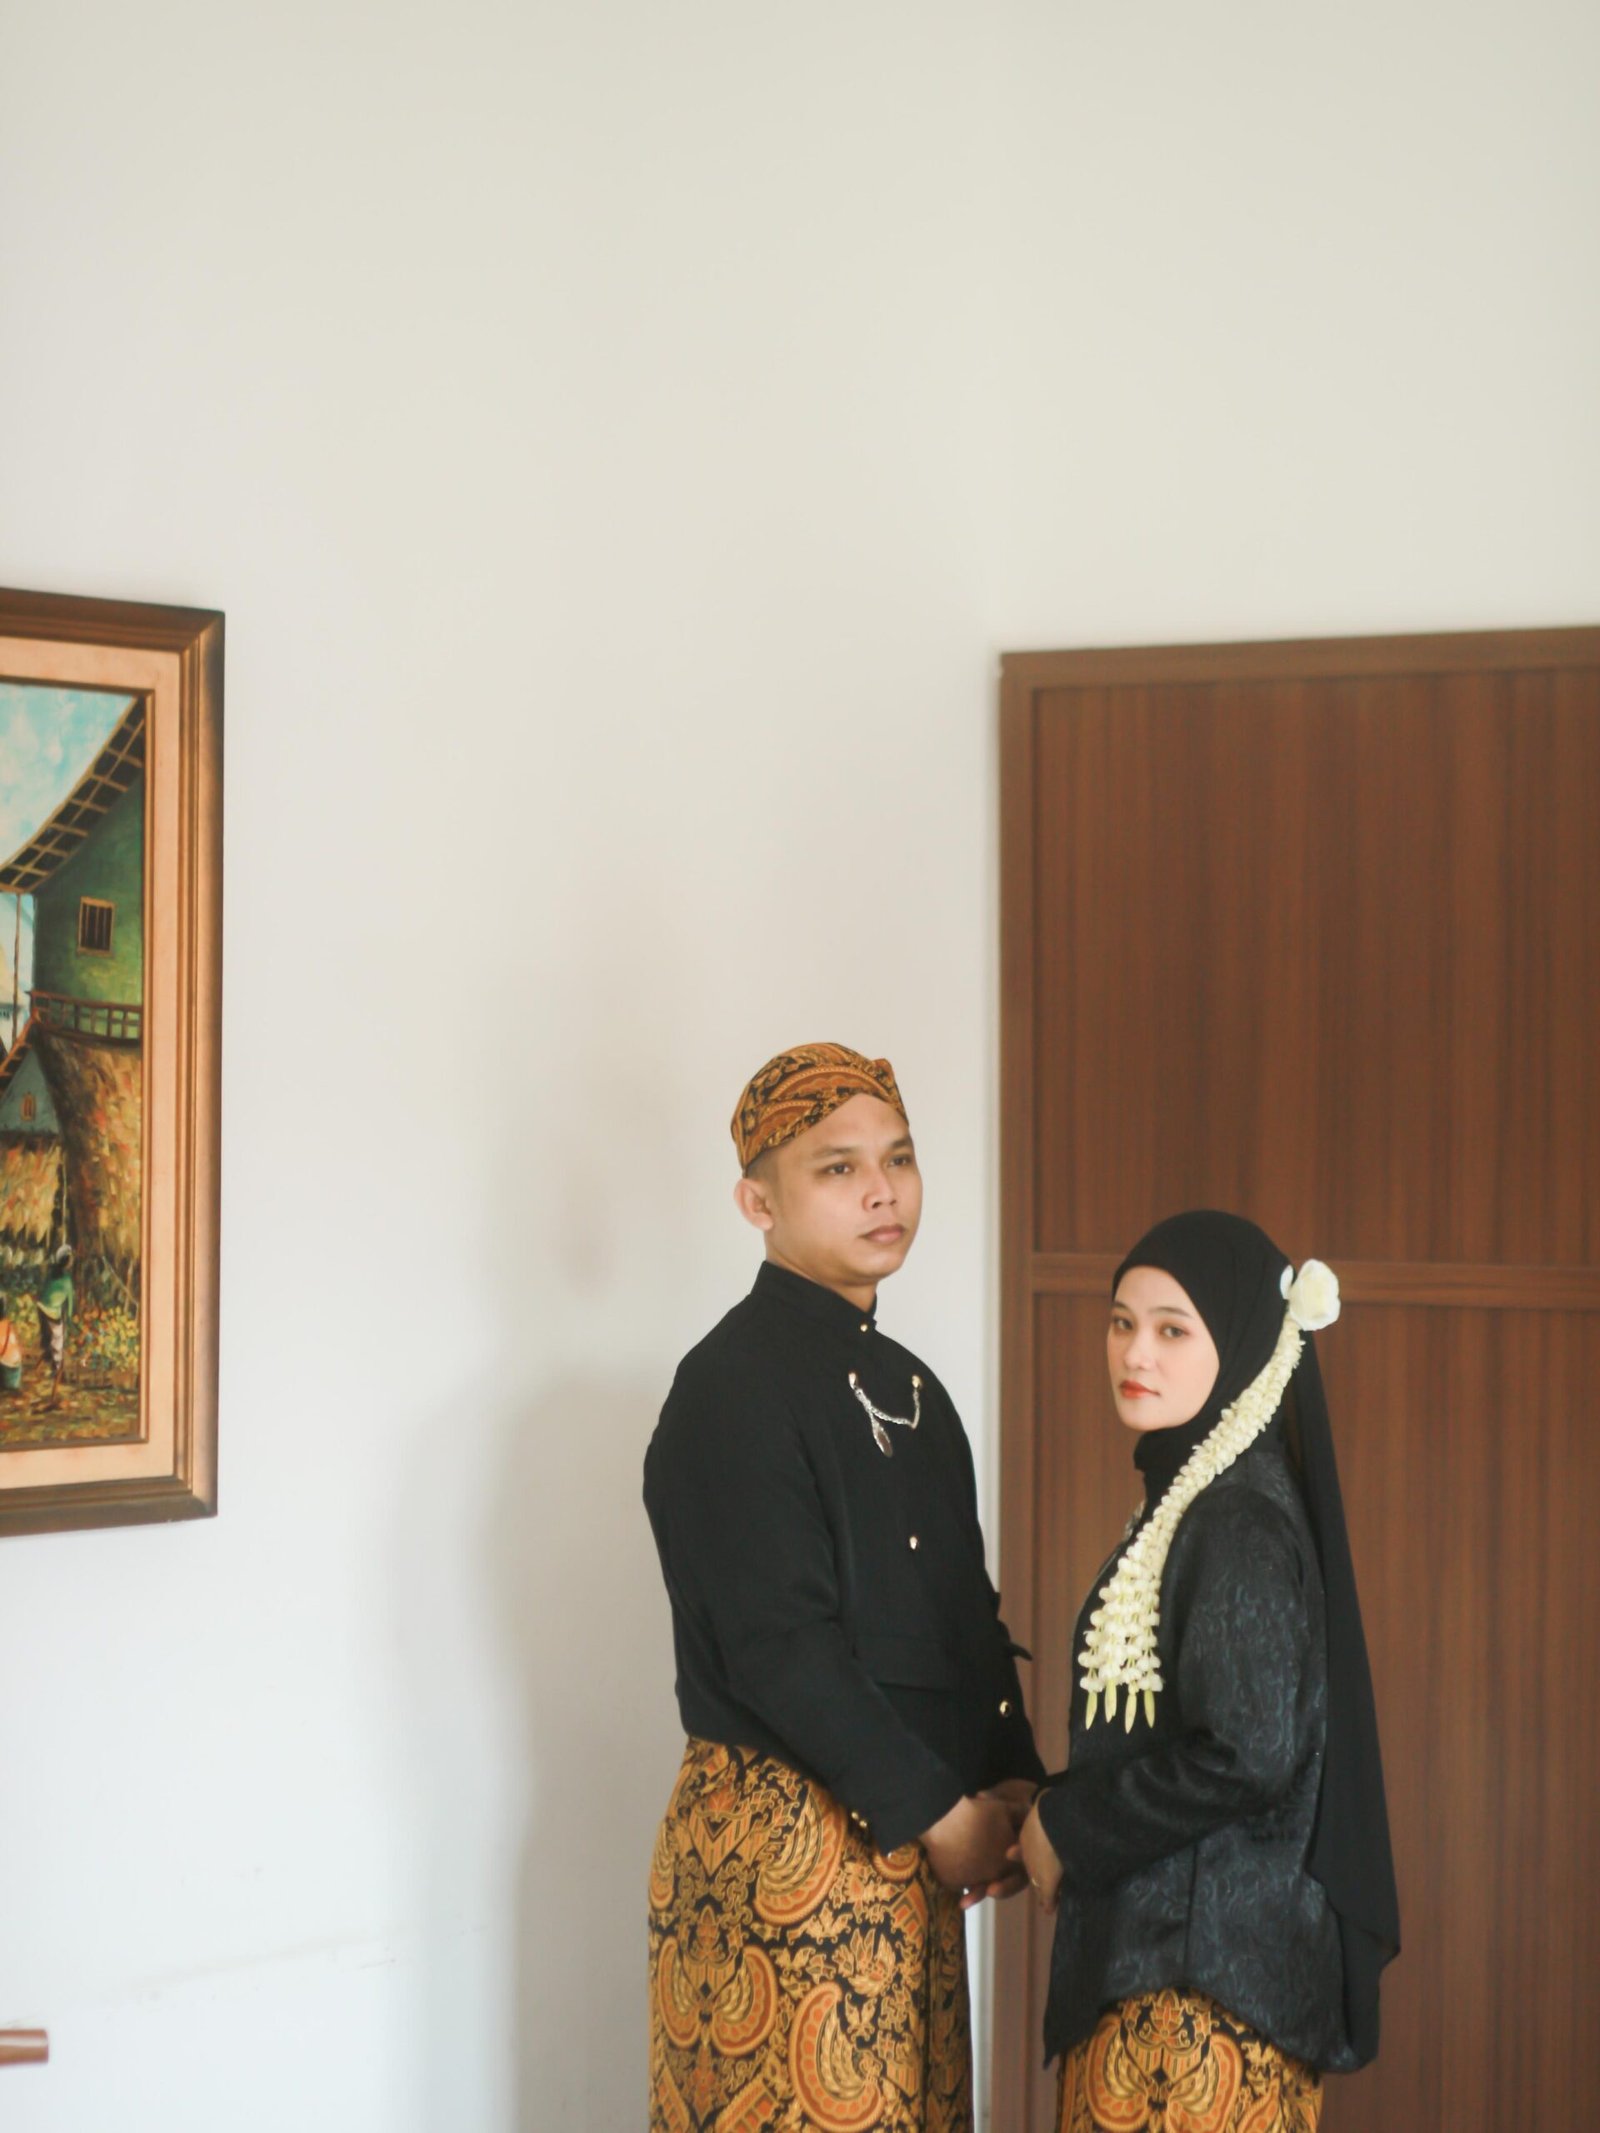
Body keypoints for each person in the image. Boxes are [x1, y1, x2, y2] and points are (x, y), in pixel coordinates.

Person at [644, 1042, 1045, 2133]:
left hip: (910, 1847)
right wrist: (941, 1815)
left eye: (898, 1158)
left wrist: (1010, 1781)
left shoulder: (915, 1391)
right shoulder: (729, 1387)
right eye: (838, 1167)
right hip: (781, 1853)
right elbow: (782, 1649)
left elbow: (963, 1616)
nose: (882, 1190)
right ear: (758, 1203)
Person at [1016, 1210, 1399, 2133]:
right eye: (1121, 1321)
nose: (1135, 1352)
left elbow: (1246, 1752)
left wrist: (1067, 1826)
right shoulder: (1205, 1501)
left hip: (1191, 2002)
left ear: (1241, 1346)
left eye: (1172, 1329)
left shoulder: (1234, 1519)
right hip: (1192, 1986)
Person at [36, 1244, 74, 1409]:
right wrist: (69, 1322)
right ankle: (53, 1397)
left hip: (41, 1309)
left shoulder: (51, 1273)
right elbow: (70, 1305)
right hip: (52, 1315)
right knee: (59, 1358)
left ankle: (37, 1370)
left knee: (49, 1345)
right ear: (67, 1262)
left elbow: (43, 1291)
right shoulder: (67, 1280)